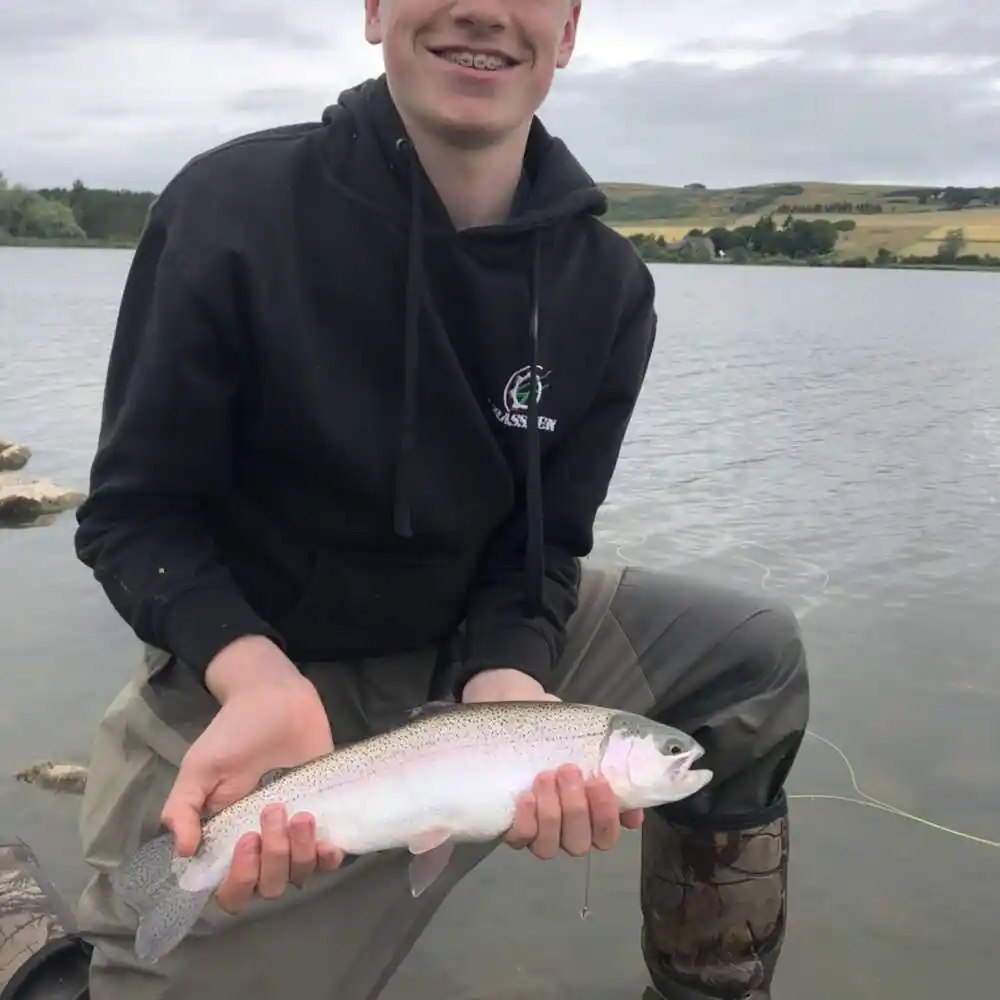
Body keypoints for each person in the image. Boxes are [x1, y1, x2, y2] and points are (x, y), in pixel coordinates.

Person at [64, 1, 810, 999]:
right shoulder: (232, 206)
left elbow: (538, 553)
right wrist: (249, 672)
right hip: (258, 686)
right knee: (139, 963)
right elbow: (131, 517)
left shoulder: (606, 283)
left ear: (571, 28)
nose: (482, 11)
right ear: (373, 9)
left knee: (750, 650)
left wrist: (511, 676)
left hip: (473, 662)